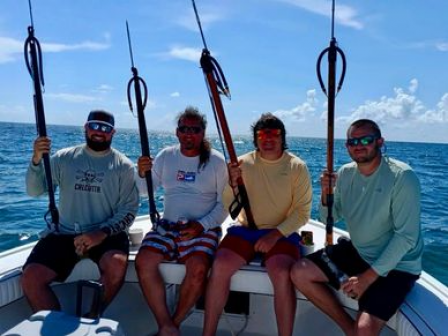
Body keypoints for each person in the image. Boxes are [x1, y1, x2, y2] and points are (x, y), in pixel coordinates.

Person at [290, 119, 424, 335]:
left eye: (365, 139)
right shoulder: (345, 173)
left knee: (366, 329)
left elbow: (406, 238)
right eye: (353, 141)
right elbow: (328, 218)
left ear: (379, 142)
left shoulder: (402, 177)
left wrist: (366, 279)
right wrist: (325, 194)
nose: (358, 145)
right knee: (299, 272)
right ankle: (348, 329)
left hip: (398, 265)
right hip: (359, 251)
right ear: (347, 146)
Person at [203, 113, 313, 336]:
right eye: (262, 134)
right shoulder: (242, 163)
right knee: (220, 266)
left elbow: (303, 212)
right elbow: (227, 204)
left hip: (282, 232)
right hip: (245, 231)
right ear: (255, 139)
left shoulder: (296, 167)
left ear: (283, 138)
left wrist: (274, 235)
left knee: (281, 272)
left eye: (274, 134)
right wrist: (232, 183)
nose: (268, 139)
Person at [22, 110, 139, 315]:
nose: (99, 132)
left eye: (105, 128)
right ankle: (59, 327)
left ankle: (91, 319)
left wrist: (100, 233)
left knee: (117, 266)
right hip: (65, 233)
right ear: (85, 127)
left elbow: (129, 211)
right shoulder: (64, 158)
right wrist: (36, 160)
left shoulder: (124, 167)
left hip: (105, 234)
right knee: (31, 278)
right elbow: (35, 190)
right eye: (94, 126)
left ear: (113, 133)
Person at [135, 106, 228, 336]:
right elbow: (144, 191)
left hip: (203, 228)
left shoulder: (216, 162)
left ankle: (171, 326)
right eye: (184, 128)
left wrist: (202, 225)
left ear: (203, 133)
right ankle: (166, 325)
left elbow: (226, 205)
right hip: (167, 226)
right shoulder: (166, 156)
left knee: (198, 269)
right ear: (177, 132)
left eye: (194, 129)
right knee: (143, 261)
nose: (189, 133)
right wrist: (140, 173)